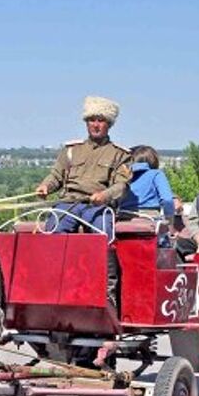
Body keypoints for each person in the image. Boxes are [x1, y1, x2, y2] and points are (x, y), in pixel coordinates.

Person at [35, 95, 133, 308]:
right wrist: (45, 187)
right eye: (91, 120)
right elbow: (56, 176)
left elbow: (121, 186)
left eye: (100, 120)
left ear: (109, 124)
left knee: (103, 239)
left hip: (97, 207)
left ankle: (108, 294)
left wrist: (105, 195)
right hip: (68, 203)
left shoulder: (119, 154)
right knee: (52, 233)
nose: (95, 125)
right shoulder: (71, 150)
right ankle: (53, 287)